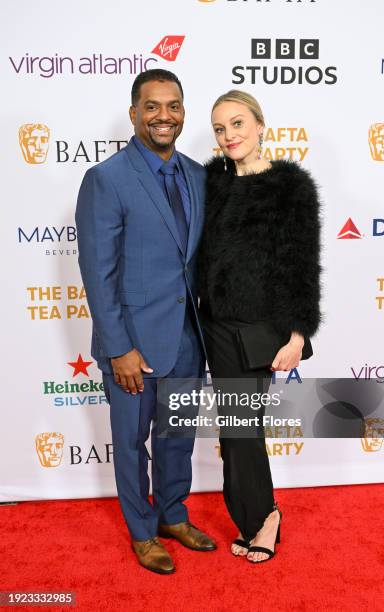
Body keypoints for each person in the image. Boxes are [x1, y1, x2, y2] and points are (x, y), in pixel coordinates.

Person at [75, 69, 216, 575]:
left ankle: (173, 515)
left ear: (183, 111)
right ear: (134, 112)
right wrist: (118, 347)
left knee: (177, 436)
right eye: (152, 106)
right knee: (132, 443)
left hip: (186, 338)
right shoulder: (107, 178)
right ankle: (141, 530)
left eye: (173, 105)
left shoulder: (199, 175)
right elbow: (98, 271)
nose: (163, 116)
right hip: (132, 343)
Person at [198, 90, 321, 563]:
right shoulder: (212, 183)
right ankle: (255, 516)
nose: (229, 135)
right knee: (235, 428)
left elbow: (301, 264)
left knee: (243, 427)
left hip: (262, 328)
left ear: (260, 125)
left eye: (237, 124)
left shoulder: (291, 188)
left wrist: (297, 335)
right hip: (216, 326)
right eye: (220, 128)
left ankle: (265, 517)